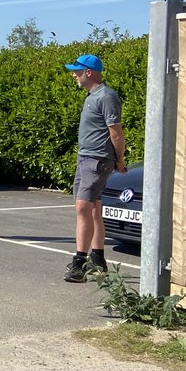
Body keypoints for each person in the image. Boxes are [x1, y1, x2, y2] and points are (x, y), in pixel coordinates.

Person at [63, 54, 127, 283]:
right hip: (86, 158)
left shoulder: (107, 96)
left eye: (77, 71)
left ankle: (79, 264)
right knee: (92, 208)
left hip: (98, 160)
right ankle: (98, 259)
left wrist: (119, 160)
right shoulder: (92, 96)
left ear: (88, 72)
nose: (74, 75)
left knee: (82, 207)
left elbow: (116, 132)